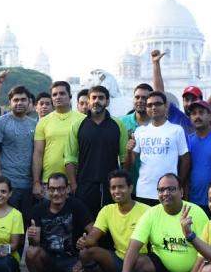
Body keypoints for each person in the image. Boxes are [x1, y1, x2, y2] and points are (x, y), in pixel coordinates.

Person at [117, 173, 208, 272]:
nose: (165, 193)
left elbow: (206, 254)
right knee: (137, 261)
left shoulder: (196, 213)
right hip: (164, 271)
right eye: (161, 190)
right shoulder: (151, 213)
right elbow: (133, 246)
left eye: (171, 189)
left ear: (182, 191)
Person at [77, 170, 150, 272]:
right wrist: (84, 241)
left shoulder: (146, 211)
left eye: (121, 187)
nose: (117, 191)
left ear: (130, 188)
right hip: (117, 260)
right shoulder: (107, 210)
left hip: (138, 266)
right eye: (113, 187)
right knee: (86, 253)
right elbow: (93, 237)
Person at [27, 173, 93, 272]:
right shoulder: (38, 209)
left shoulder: (77, 205)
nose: (56, 193)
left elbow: (94, 231)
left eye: (60, 188)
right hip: (49, 258)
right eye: (52, 189)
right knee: (31, 251)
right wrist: (32, 236)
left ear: (67, 189)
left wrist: (86, 244)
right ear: (46, 190)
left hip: (72, 258)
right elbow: (35, 243)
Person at [65, 85, 128, 217]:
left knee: (110, 225)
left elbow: (124, 158)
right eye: (94, 98)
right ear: (88, 100)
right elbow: (70, 158)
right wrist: (74, 185)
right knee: (85, 225)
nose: (97, 101)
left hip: (111, 186)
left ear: (107, 101)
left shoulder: (118, 125)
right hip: (84, 184)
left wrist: (122, 185)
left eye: (101, 98)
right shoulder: (77, 125)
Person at [129, 91, 190, 206]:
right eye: (150, 105)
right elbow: (130, 162)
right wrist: (128, 151)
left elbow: (186, 160)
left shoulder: (176, 130)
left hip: (168, 192)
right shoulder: (140, 131)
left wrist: (178, 183)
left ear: (165, 106)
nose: (153, 107)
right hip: (144, 191)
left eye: (158, 104)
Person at [32, 81, 85, 200]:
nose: (58, 97)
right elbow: (38, 154)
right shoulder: (43, 122)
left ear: (70, 96)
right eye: (55, 94)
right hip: (49, 182)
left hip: (76, 181)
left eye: (62, 93)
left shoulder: (83, 120)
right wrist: (36, 182)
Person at [0, 86, 37, 217]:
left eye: (23, 100)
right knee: (6, 223)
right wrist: (0, 178)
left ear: (29, 102)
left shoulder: (35, 124)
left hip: (29, 184)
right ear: (10, 102)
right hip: (8, 184)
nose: (19, 103)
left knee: (24, 225)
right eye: (16, 100)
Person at [187, 100, 211, 216]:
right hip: (194, 201)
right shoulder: (188, 140)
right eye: (193, 113)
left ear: (209, 115)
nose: (197, 116)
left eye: (201, 112)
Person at [149, 50, 193, 135]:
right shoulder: (177, 116)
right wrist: (156, 64)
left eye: (194, 99)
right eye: (187, 99)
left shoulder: (205, 123)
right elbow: (159, 93)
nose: (190, 103)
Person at [121, 83, 153, 194]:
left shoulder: (158, 124)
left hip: (152, 187)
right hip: (128, 186)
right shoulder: (121, 122)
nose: (140, 100)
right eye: (137, 97)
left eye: (144, 98)